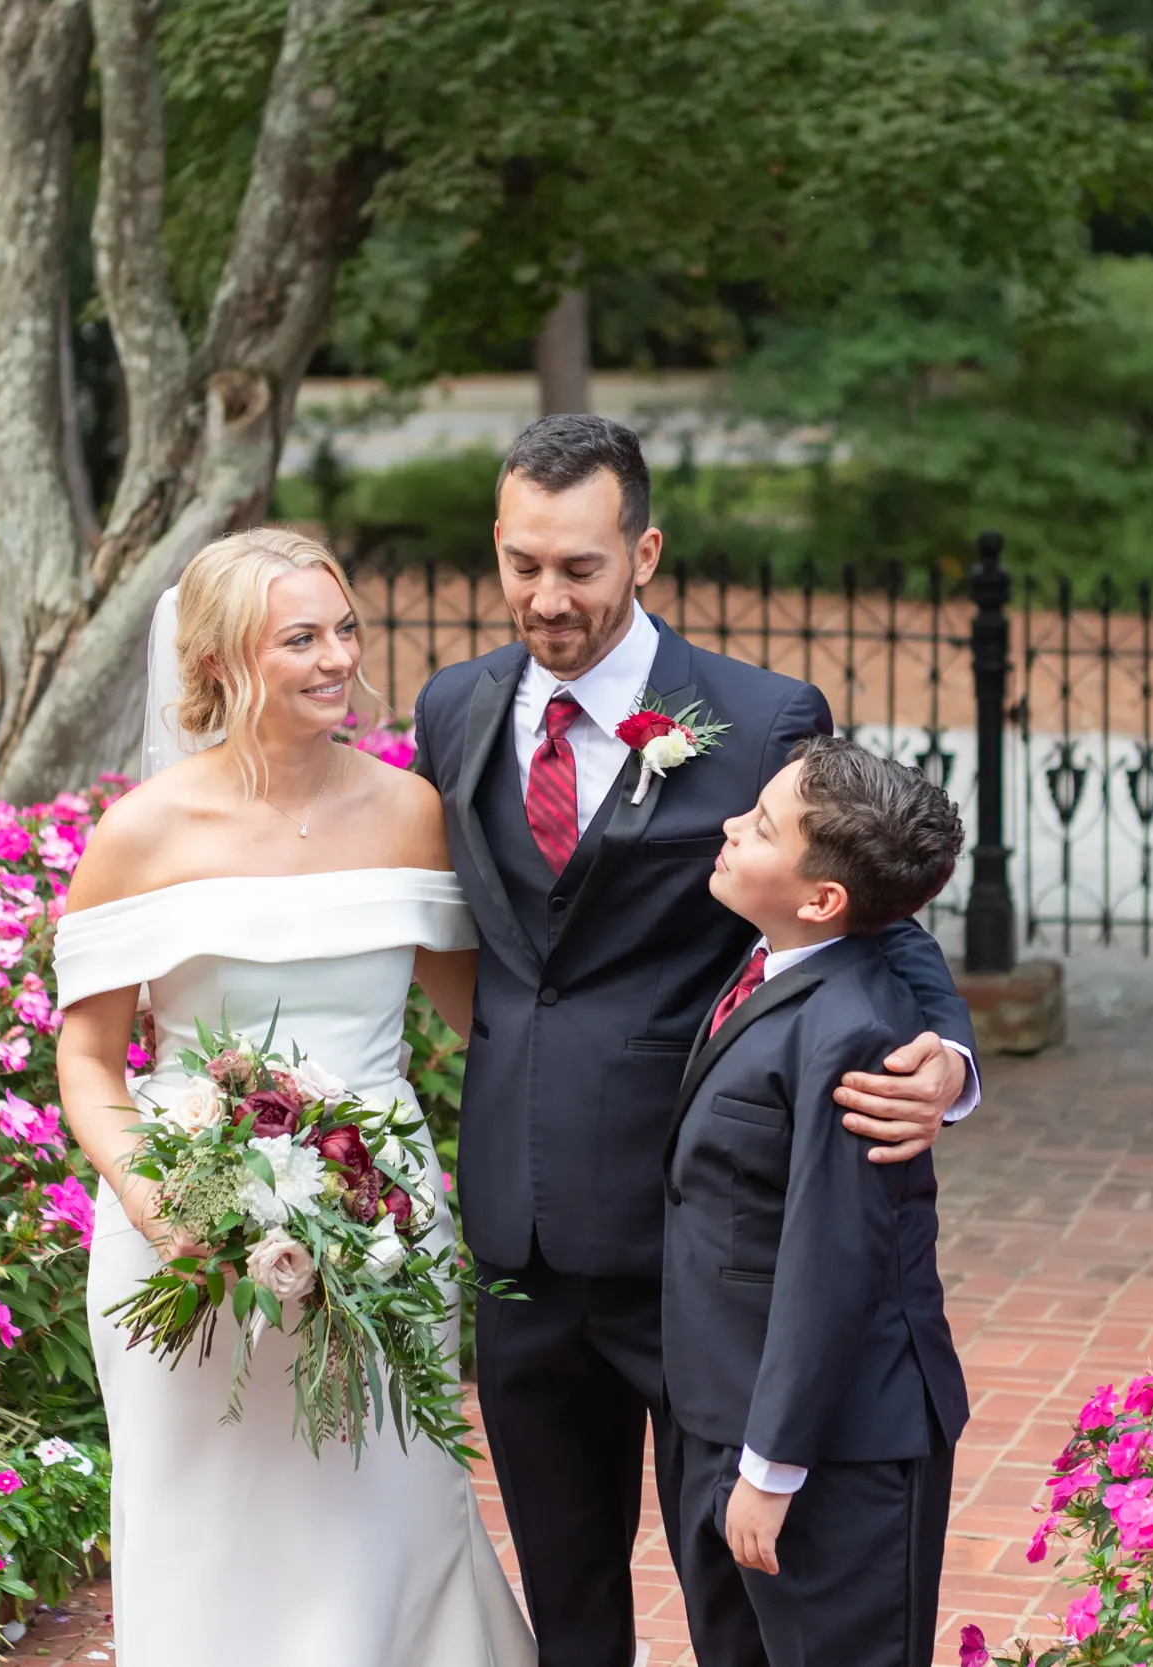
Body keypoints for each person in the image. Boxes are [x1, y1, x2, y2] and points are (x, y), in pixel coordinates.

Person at [410, 414, 981, 1667]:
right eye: (521, 563)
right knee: (564, 1593)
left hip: (692, 1242)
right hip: (516, 1227)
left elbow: (869, 909)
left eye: (580, 566)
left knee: (733, 1597)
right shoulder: (452, 707)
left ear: (645, 550)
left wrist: (945, 1053)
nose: (546, 598)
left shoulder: (760, 716)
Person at [51, 528, 533, 1665]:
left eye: (344, 629)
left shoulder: (411, 811)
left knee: (386, 1512)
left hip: (384, 1224)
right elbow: (90, 1057)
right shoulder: (141, 834)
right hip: (186, 1230)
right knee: (208, 1533)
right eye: (300, 638)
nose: (338, 659)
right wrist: (157, 1201)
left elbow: (492, 1021)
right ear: (219, 661)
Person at [662, 738, 972, 1667]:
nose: (729, 826)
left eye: (760, 826)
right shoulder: (780, 956)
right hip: (728, 1410)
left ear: (822, 899)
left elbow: (831, 1259)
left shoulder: (858, 1036)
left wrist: (771, 1466)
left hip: (828, 1449)